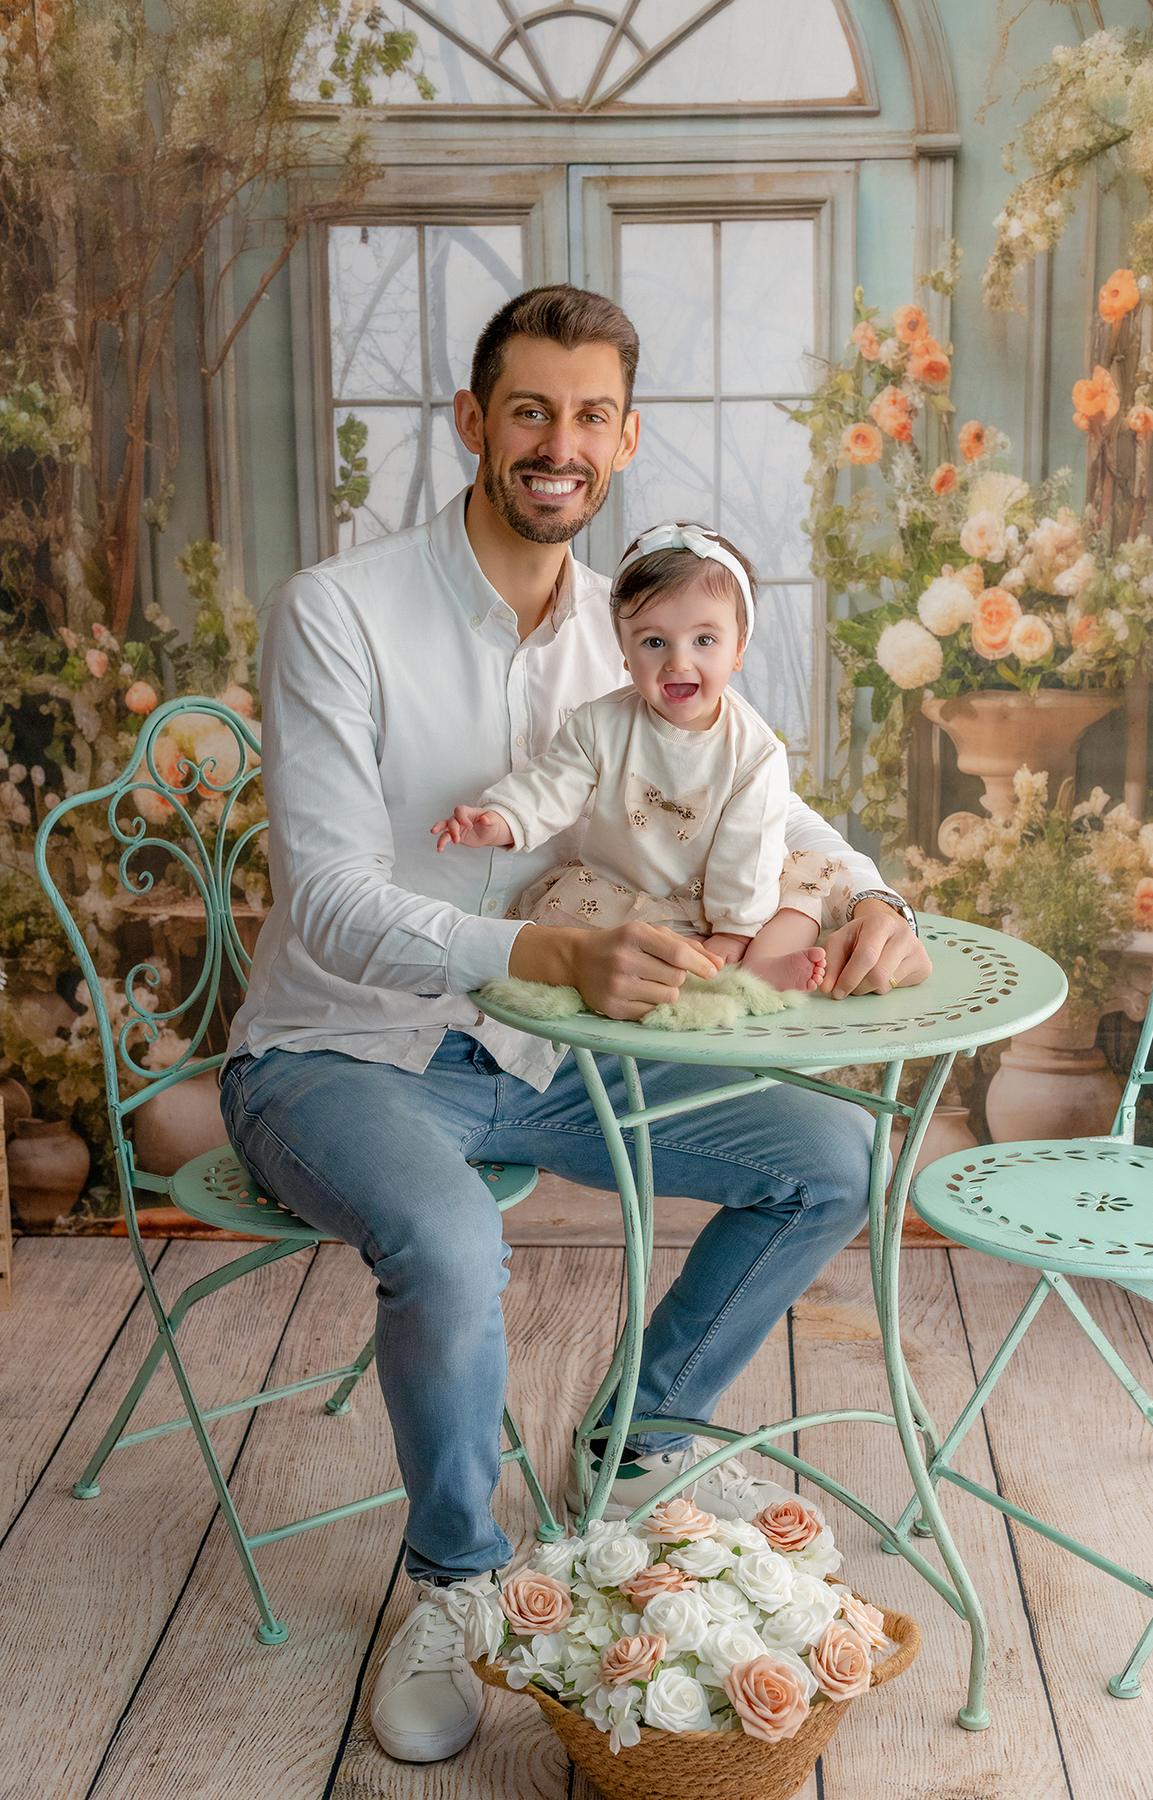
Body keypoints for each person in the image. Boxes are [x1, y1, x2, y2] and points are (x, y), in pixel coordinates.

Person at [219, 284, 931, 1766]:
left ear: (626, 436)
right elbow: (330, 898)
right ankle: (457, 1582)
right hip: (344, 1052)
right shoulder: (339, 611)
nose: (561, 444)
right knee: (450, 1241)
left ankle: (635, 1441)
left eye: (591, 415)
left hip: (558, 1056)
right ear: (473, 422)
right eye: (530, 410)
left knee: (830, 1159)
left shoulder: (636, 626)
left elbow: (758, 792)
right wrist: (545, 946)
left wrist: (872, 890)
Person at [432, 519, 845, 996]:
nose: (678, 662)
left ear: (738, 649)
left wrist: (734, 931)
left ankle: (757, 964)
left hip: (718, 901)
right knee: (625, 948)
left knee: (809, 881)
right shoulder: (601, 724)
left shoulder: (754, 750)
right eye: (654, 642)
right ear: (625, 655)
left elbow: (749, 850)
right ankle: (704, 970)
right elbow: (553, 784)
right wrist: (503, 818)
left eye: (704, 640)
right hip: (619, 895)